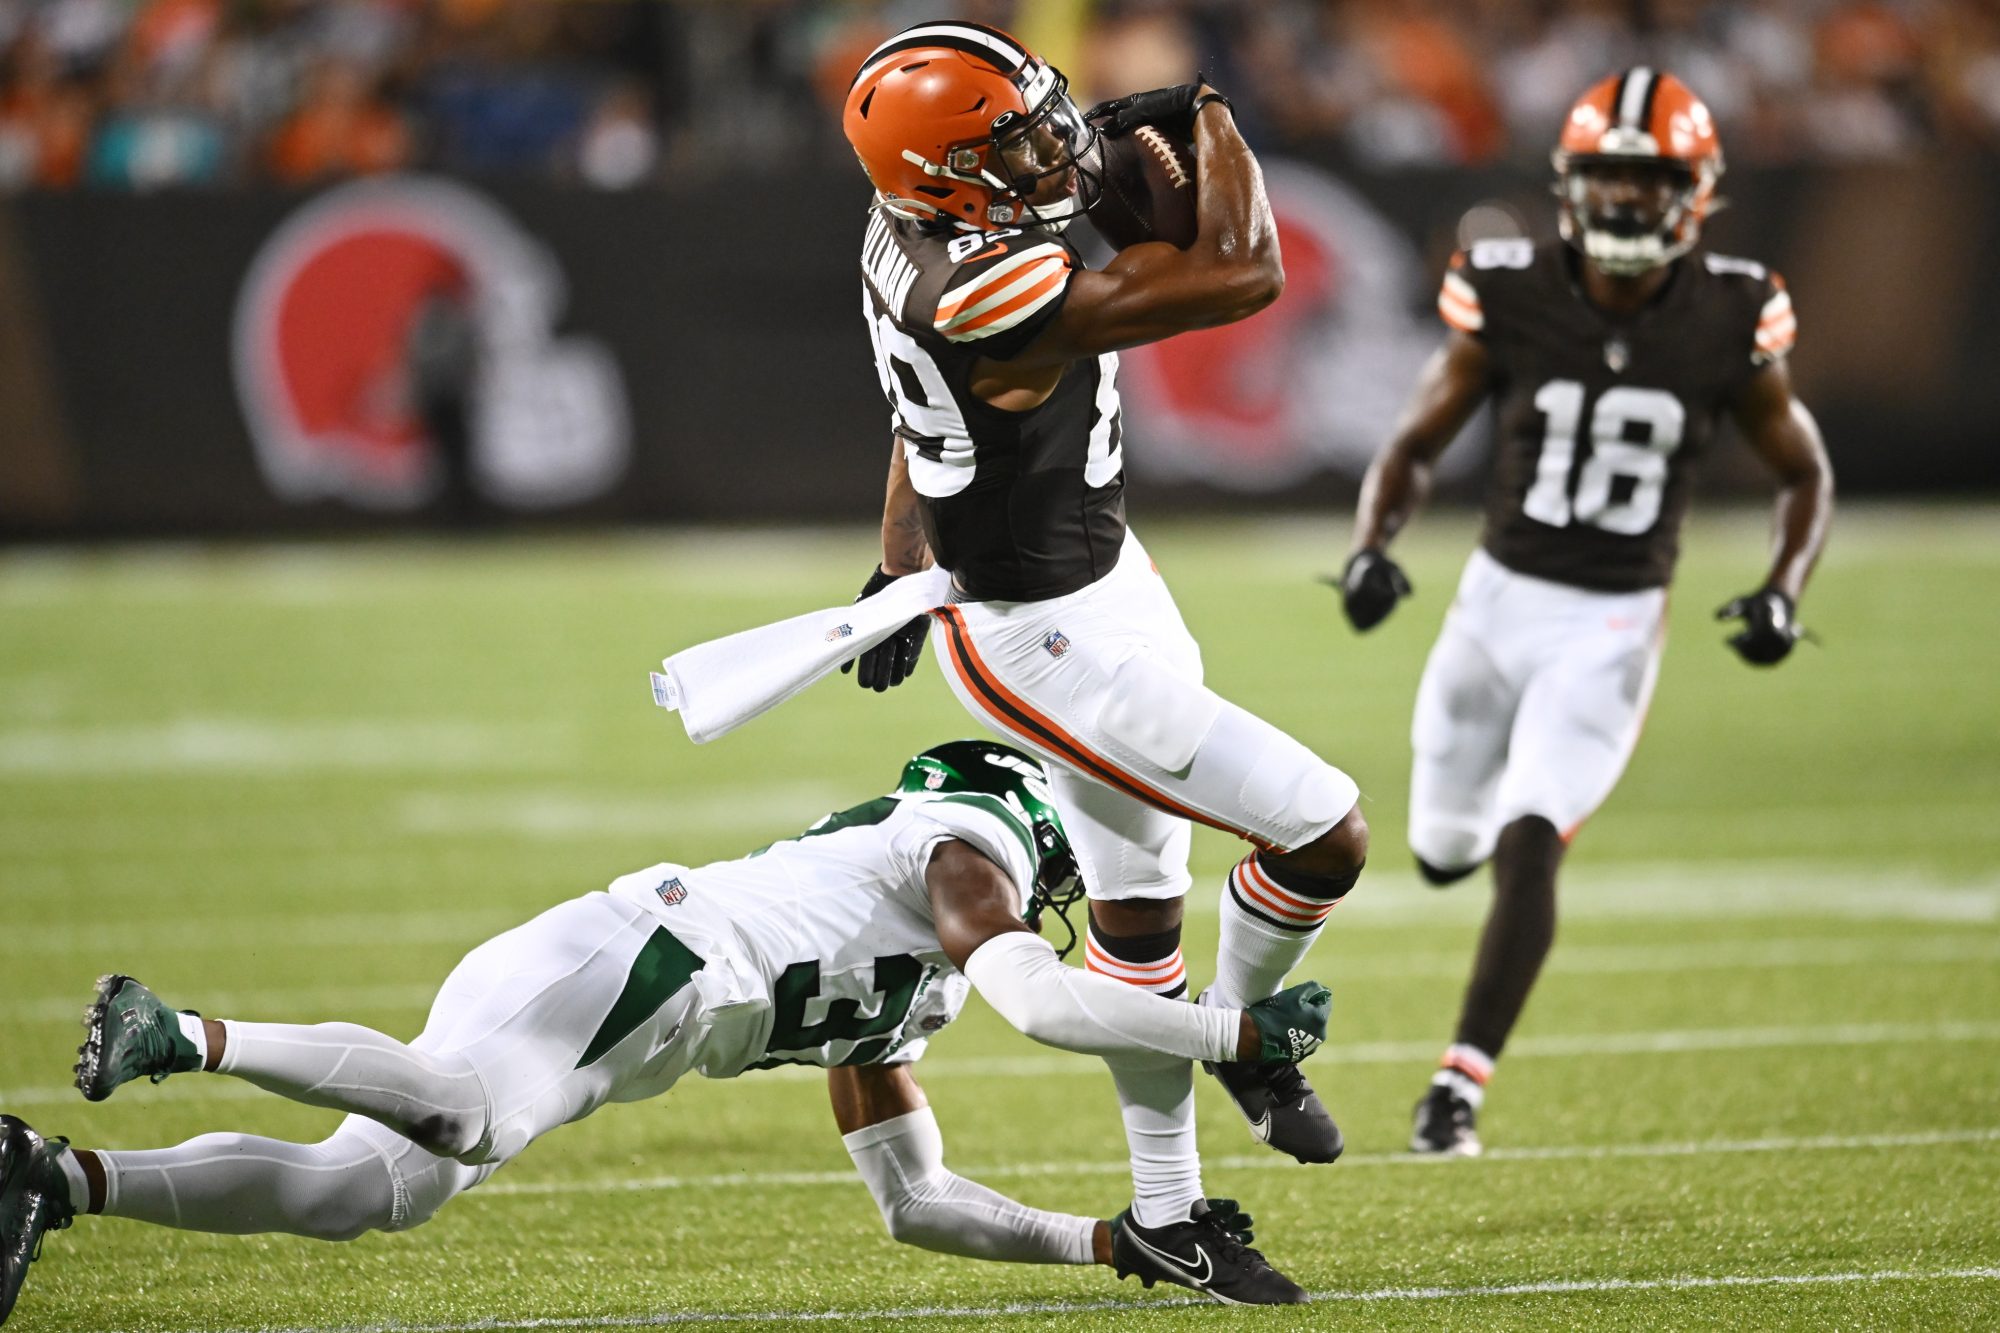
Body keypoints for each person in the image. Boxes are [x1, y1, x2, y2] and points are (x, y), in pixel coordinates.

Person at [0, 741, 1335, 1322]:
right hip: (641, 957)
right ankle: (182, 1031)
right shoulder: (965, 845)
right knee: (466, 1113)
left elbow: (914, 1202)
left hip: (634, 1013)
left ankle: (54, 1179)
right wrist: (1235, 1034)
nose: (1056, 888)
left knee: (370, 1190)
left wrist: (1107, 1240)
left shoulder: (916, 984)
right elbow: (1046, 1002)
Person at [836, 19, 1371, 1284]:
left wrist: (896, 556)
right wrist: (1213, 116)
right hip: (1039, 635)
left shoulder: (910, 227)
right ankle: (1248, 1039)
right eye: (1008, 144)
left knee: (1136, 927)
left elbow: (918, 420)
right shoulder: (979, 283)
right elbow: (1240, 276)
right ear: (943, 177)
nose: (1047, 151)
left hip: (1103, 574)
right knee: (1323, 831)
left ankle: (1170, 1212)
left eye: (1036, 118)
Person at [1336, 69, 1834, 1156]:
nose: (1620, 200)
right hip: (1490, 603)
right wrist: (1371, 548)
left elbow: (1800, 469)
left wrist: (1780, 591)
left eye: (1645, 178)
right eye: (1604, 176)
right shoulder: (1509, 287)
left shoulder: (1732, 306)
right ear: (1568, 183)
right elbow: (1413, 442)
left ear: (1695, 191)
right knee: (1438, 846)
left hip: (1610, 620)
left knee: (1531, 840)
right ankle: (1462, 867)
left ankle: (1455, 1087)